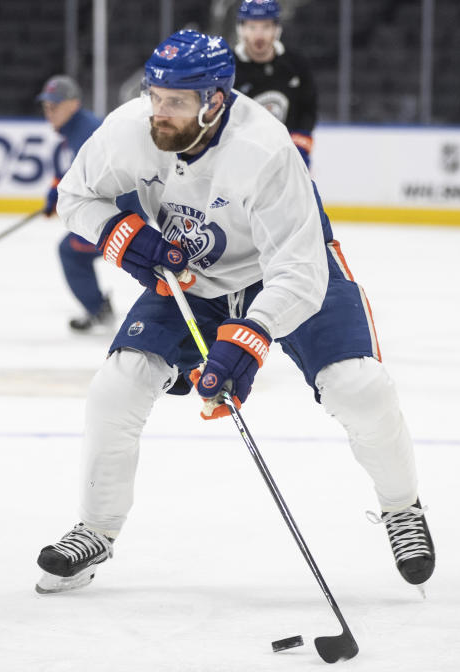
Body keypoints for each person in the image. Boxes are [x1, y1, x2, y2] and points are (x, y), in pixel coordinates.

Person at [35, 30, 435, 595]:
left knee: (357, 386)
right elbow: (76, 196)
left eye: (176, 101)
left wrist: (249, 338)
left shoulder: (265, 150)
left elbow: (297, 273)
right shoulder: (131, 129)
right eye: (155, 96)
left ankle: (402, 509)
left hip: (290, 271)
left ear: (216, 100)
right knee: (116, 387)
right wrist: (127, 237)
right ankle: (97, 528)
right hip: (195, 277)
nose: (160, 112)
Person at [37, 74, 145, 332]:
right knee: (72, 252)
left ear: (73, 104)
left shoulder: (86, 132)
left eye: (55, 106)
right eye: (46, 107)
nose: (49, 113)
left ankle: (99, 310)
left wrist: (119, 219)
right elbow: (72, 172)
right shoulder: (74, 131)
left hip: (123, 212)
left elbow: (114, 176)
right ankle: (98, 308)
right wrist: (57, 194)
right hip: (117, 211)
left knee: (70, 251)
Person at [233, 0, 317, 167]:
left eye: (266, 26)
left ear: (277, 29)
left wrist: (299, 148)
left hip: (286, 153)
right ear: (241, 29)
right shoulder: (228, 66)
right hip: (241, 157)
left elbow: (308, 110)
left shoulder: (296, 64)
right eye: (252, 27)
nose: (259, 35)